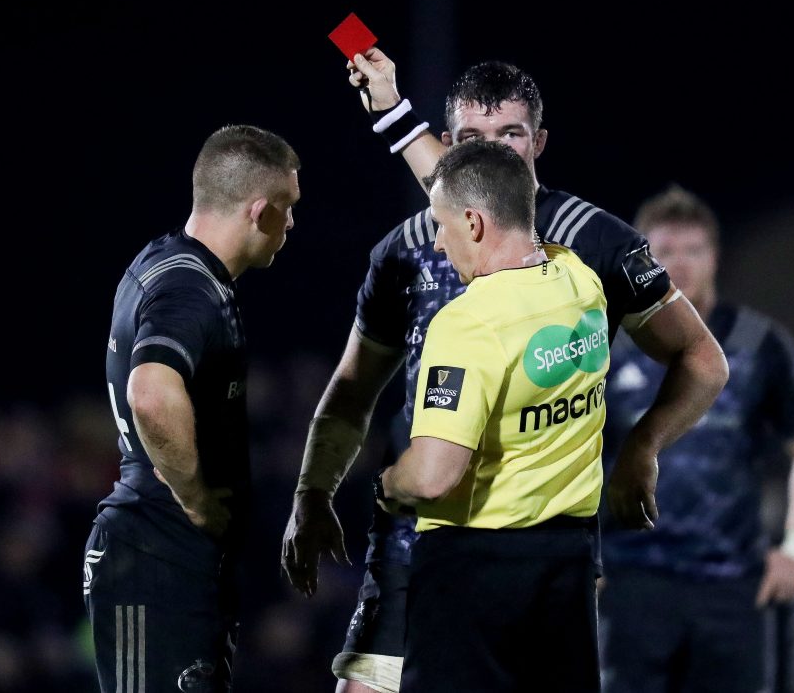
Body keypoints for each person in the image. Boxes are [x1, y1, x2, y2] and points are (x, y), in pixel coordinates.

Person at [281, 50, 728, 693]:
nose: (488, 153)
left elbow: (701, 359)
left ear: (539, 142)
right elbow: (352, 389)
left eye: (510, 136)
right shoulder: (408, 250)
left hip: (537, 555)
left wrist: (643, 449)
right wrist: (312, 492)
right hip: (417, 551)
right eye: (469, 140)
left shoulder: (593, 246)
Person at [375, 138, 609, 691]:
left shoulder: (468, 323)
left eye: (442, 223)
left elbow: (433, 477)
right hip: (569, 566)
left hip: (476, 573)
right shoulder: (581, 282)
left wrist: (387, 484)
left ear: (475, 224)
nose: (437, 239)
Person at [597, 185, 794, 693]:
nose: (680, 263)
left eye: (694, 250)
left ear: (716, 257)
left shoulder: (758, 342)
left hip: (730, 588)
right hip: (628, 585)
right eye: (664, 251)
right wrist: (579, 555)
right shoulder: (607, 343)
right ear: (641, 258)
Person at [84, 124, 300, 693]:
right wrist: (195, 498)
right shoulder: (190, 286)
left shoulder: (170, 263)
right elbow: (150, 392)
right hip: (153, 559)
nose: (292, 223)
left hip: (174, 567)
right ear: (258, 211)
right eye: (287, 207)